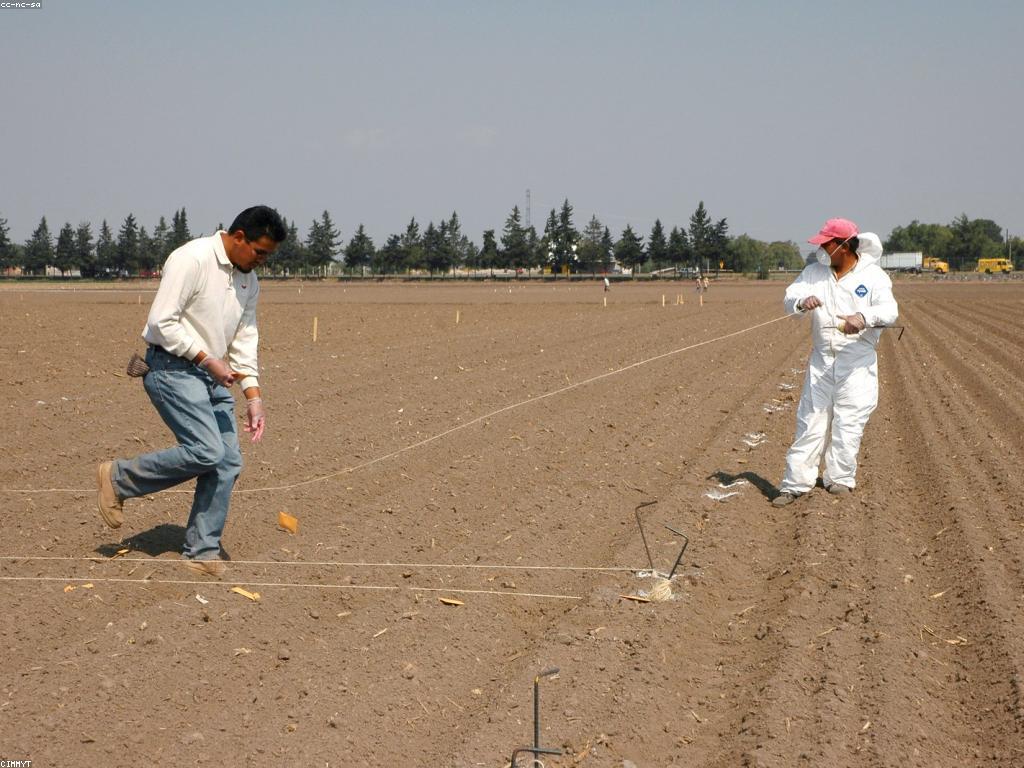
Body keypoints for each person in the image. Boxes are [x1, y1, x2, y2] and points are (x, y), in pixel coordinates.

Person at [96, 205, 286, 576]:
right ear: (239, 237)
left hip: (212, 376)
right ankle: (118, 478)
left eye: (269, 256)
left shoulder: (249, 280)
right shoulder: (192, 259)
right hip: (171, 368)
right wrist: (206, 358)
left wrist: (254, 397)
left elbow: (245, 338)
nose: (262, 261)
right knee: (207, 450)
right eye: (260, 252)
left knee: (228, 462)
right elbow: (161, 321)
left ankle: (201, 551)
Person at [772, 218, 898, 507]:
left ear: (843, 246)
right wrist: (802, 303)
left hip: (856, 361)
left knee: (849, 420)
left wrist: (863, 319)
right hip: (822, 359)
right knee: (810, 420)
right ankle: (795, 483)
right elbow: (790, 298)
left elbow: (889, 310)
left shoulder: (874, 276)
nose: (822, 248)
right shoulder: (814, 273)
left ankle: (839, 478)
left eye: (827, 243)